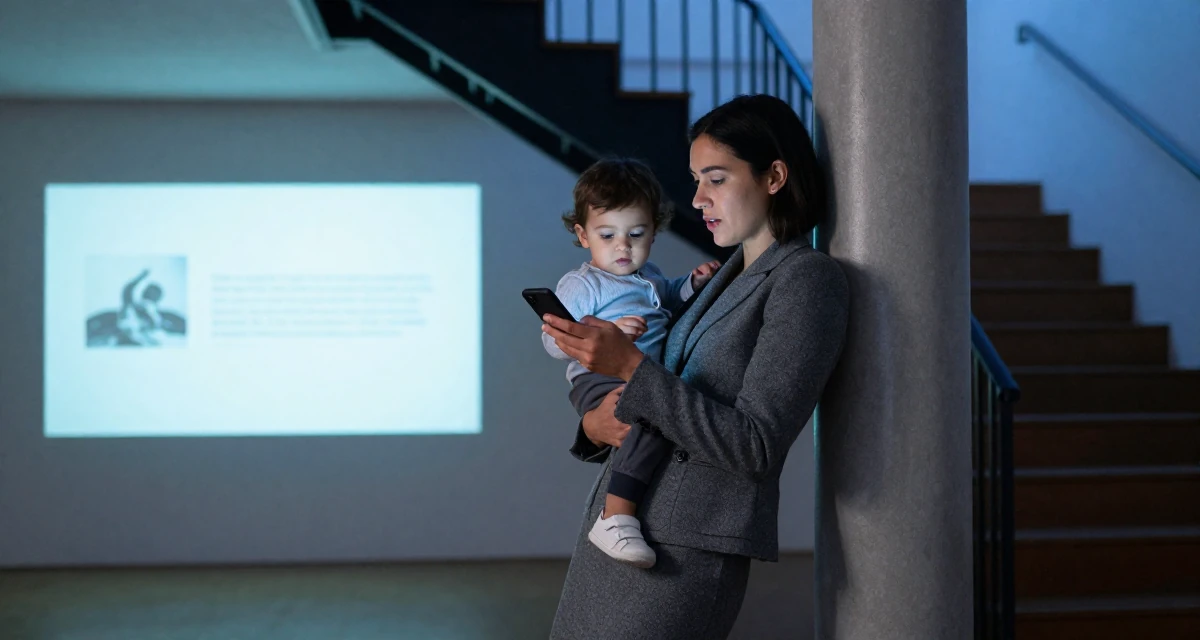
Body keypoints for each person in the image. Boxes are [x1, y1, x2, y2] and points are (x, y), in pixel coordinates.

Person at [542, 94, 850, 639]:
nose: (698, 198)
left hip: (683, 550)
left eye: (715, 179)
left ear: (774, 175)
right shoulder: (723, 274)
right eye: (695, 180)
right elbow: (661, 393)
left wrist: (631, 367)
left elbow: (756, 445)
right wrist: (594, 425)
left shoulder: (806, 280)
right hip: (621, 525)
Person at [541, 158, 722, 568]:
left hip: (639, 371)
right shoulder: (584, 284)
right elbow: (554, 342)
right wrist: (607, 332)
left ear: (654, 233)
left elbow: (670, 299)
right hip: (597, 377)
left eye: (636, 234)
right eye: (608, 235)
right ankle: (615, 515)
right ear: (583, 235)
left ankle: (620, 511)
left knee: (655, 420)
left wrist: (692, 284)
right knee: (649, 418)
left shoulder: (650, 275)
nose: (623, 246)